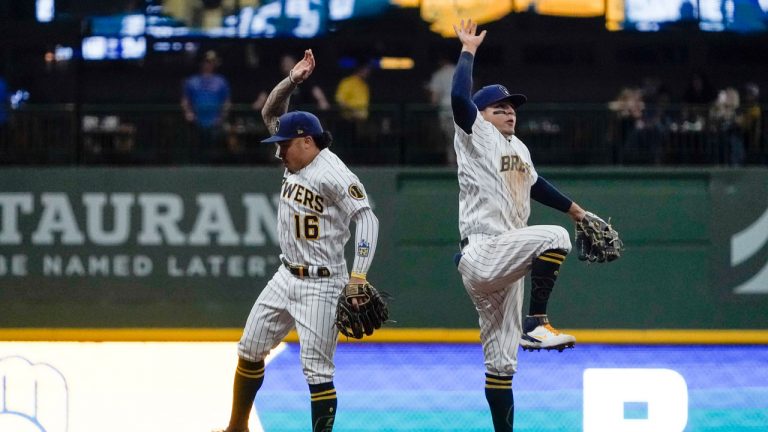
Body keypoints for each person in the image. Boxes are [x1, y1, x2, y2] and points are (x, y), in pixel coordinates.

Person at [214, 49, 380, 432]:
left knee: (317, 372)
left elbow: (366, 218)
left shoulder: (333, 172)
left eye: (285, 143)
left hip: (324, 283)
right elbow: (269, 113)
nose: (279, 149)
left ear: (306, 141)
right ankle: (236, 427)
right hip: (286, 275)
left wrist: (358, 276)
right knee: (249, 349)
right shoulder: (294, 154)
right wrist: (292, 79)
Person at [451, 19, 594, 431]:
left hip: (508, 262)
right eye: (501, 107)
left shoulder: (519, 147)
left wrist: (577, 210)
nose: (510, 111)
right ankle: (536, 322)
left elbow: (536, 185)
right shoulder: (474, 132)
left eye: (513, 107)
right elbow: (460, 99)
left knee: (501, 364)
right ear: (482, 115)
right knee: (555, 237)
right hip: (484, 250)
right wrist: (468, 51)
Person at [181, 50, 231, 163]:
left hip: (215, 123)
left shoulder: (221, 81)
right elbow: (185, 101)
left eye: (211, 62)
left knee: (215, 152)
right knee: (196, 152)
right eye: (206, 62)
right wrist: (188, 113)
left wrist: (222, 117)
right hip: (196, 122)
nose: (208, 65)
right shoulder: (191, 81)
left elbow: (226, 102)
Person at [252, 53, 330, 112]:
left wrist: (322, 101)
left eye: (288, 62)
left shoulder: (304, 78)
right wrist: (258, 105)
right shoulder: (276, 81)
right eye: (284, 63)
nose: (286, 65)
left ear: (295, 64)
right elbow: (264, 95)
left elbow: (316, 91)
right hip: (282, 117)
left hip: (301, 115)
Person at [427, 55, 457, 164]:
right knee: (461, 139)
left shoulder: (439, 75)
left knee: (450, 139)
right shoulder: (463, 71)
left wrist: (432, 103)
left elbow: (434, 98)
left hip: (446, 110)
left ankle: (452, 163)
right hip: (462, 108)